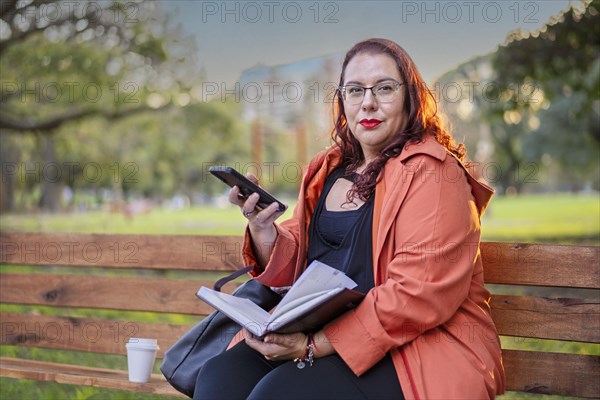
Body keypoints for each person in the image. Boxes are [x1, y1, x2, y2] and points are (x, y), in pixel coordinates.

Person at [194, 38, 505, 400]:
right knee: (220, 378)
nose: (368, 101)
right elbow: (296, 261)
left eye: (384, 88)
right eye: (355, 90)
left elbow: (418, 295)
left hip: (415, 348)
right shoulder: (328, 168)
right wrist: (263, 228)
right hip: (316, 331)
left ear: (411, 97)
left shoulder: (435, 174)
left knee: (280, 394)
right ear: (342, 99)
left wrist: (313, 346)